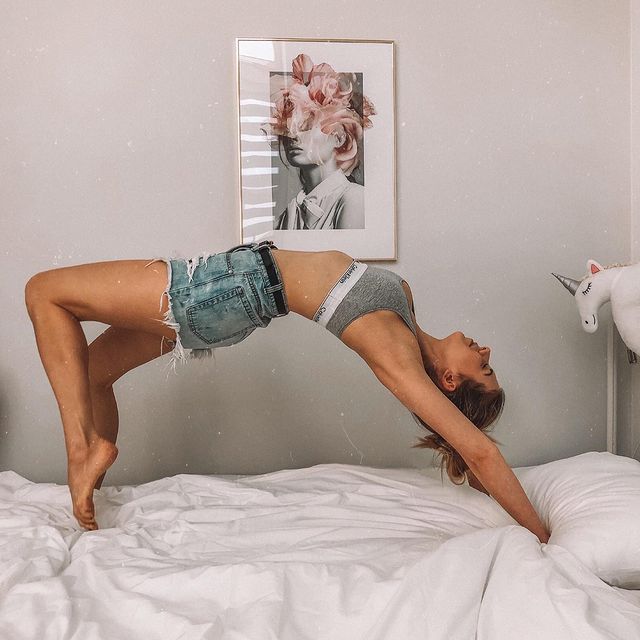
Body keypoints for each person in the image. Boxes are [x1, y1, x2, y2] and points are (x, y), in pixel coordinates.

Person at [24, 241, 551, 545]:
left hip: (221, 290)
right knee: (90, 374)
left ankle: (81, 449)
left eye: (485, 368)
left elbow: (478, 450)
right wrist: (476, 476)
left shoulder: (395, 351)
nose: (486, 351)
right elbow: (469, 451)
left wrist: (542, 535)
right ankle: (90, 491)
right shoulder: (405, 320)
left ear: (450, 381)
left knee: (44, 292)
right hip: (228, 301)